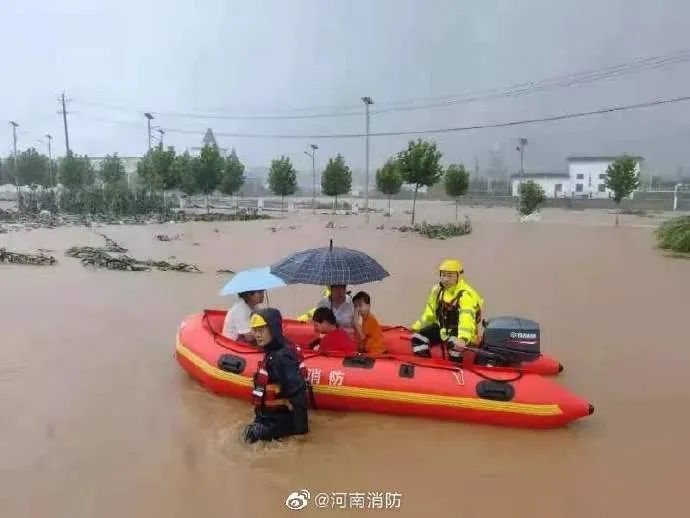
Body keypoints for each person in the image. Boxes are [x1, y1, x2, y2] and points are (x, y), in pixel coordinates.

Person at [243, 308, 309, 444]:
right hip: (270, 417)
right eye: (255, 331)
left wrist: (300, 431)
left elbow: (297, 394)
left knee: (246, 437)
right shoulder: (273, 351)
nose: (257, 335)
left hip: (280, 421)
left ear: (273, 330)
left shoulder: (282, 357)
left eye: (261, 330)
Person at [410, 259, 484, 362]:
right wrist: (417, 326)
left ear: (458, 276)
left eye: (450, 276)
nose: (445, 279)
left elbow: (466, 318)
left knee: (453, 347)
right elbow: (430, 312)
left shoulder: (466, 294)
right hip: (442, 327)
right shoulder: (438, 290)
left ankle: (456, 369)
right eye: (443, 275)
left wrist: (463, 339)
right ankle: (425, 365)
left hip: (459, 331)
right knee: (418, 338)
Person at [352, 291, 386, 355]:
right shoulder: (364, 320)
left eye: (360, 305)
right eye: (355, 306)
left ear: (368, 306)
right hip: (371, 351)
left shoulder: (370, 320)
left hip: (377, 352)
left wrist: (356, 323)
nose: (358, 309)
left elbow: (363, 337)